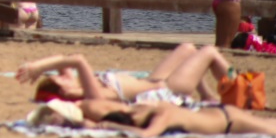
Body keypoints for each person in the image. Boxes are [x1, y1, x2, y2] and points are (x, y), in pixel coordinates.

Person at [17, 44, 230, 105]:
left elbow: (67, 57)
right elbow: (77, 59)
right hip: (166, 90)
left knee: (187, 49)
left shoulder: (81, 86)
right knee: (209, 52)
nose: (64, 74)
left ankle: (207, 95)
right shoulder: (93, 95)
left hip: (152, 81)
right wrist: (38, 67)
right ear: (64, 89)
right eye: (59, 77)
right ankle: (244, 87)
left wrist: (41, 67)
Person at [101, 102, 276, 138]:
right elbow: (126, 108)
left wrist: (111, 126)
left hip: (229, 123)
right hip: (222, 112)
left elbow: (146, 135)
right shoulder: (153, 107)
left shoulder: (162, 117)